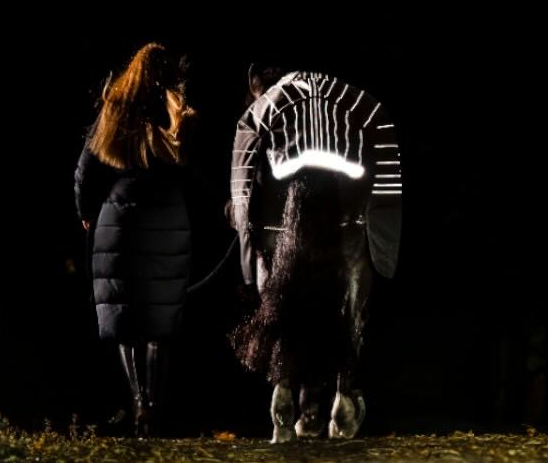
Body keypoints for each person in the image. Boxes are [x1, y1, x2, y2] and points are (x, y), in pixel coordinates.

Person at [229, 64, 401, 442]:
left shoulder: (266, 105)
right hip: (348, 171)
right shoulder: (353, 99)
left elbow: (244, 154)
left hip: (285, 171)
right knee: (351, 301)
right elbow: (382, 128)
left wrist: (244, 221)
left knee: (283, 290)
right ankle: (345, 392)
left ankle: (284, 390)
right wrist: (383, 227)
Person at [74, 42, 195, 437]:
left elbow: (85, 168)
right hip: (167, 214)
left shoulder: (115, 107)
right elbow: (194, 168)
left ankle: (138, 399)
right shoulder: (175, 109)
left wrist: (86, 212)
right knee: (160, 320)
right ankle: (154, 406)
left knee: (124, 317)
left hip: (120, 216)